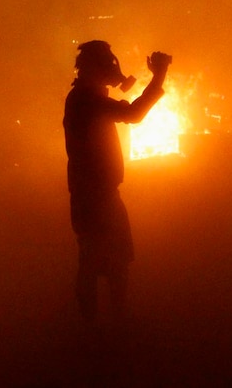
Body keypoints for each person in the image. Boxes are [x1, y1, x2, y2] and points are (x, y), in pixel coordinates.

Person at [63, 40, 171, 321]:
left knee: (106, 260)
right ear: (94, 68)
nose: (113, 68)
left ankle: (100, 328)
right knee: (103, 261)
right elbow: (133, 114)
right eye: (108, 63)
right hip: (96, 197)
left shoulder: (86, 97)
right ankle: (101, 331)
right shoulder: (87, 101)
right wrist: (158, 76)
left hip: (97, 194)